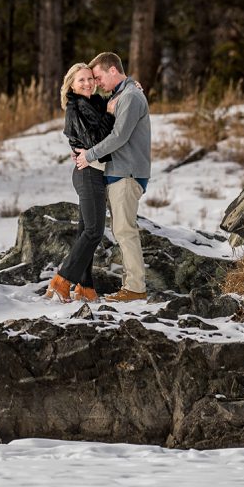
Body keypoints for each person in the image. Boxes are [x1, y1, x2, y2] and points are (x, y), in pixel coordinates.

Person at [73, 52, 151, 302]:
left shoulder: (129, 96)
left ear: (113, 71)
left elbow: (119, 137)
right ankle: (131, 286)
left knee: (125, 231)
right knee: (121, 230)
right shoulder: (123, 94)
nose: (96, 83)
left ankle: (136, 288)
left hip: (127, 174)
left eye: (97, 77)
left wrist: (89, 155)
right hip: (118, 173)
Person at [45, 62, 114, 303]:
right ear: (71, 85)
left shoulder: (94, 102)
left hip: (94, 172)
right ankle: (62, 280)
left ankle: (85, 287)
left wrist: (130, 87)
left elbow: (113, 106)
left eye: (90, 79)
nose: (87, 83)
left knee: (86, 231)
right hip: (88, 173)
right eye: (81, 80)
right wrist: (109, 114)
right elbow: (96, 140)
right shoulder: (75, 107)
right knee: (94, 231)